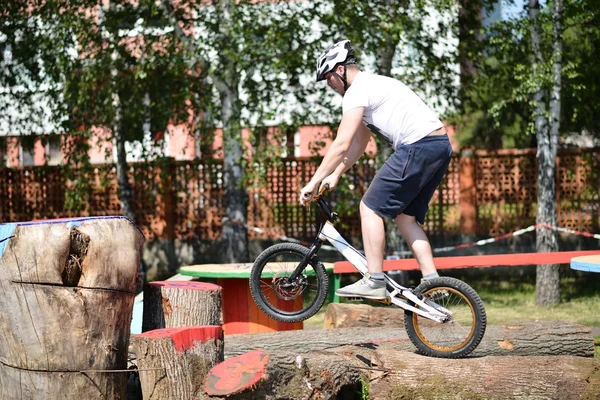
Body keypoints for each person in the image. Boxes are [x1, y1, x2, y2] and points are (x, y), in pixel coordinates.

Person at [299, 39, 453, 300]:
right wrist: (335, 175)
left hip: (418, 145)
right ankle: (433, 283)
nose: (329, 85)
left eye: (327, 78)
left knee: (369, 207)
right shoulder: (371, 86)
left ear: (339, 70)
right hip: (439, 145)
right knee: (405, 218)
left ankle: (375, 280)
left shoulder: (357, 91)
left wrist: (313, 182)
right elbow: (359, 142)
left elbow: (341, 144)